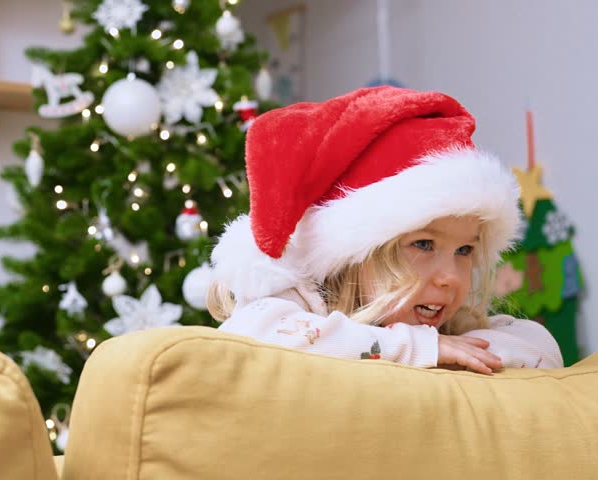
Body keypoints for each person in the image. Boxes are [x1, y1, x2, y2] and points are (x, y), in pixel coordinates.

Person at [207, 86, 563, 374]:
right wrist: (417, 349)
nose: (450, 278)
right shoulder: (300, 300)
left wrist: (453, 354)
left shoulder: (452, 331)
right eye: (424, 244)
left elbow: (541, 347)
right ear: (357, 251)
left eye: (465, 251)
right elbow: (251, 334)